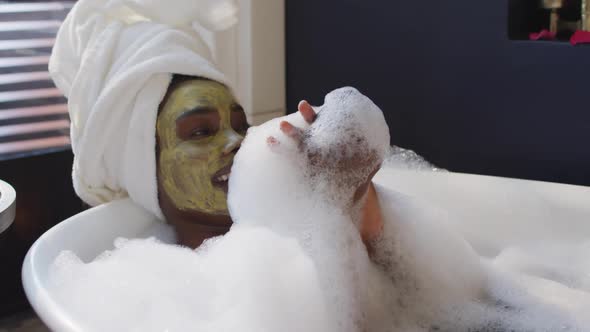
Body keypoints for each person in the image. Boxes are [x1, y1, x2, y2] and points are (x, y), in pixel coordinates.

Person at [50, 0, 384, 249]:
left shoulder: (292, 236)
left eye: (240, 125)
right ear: (141, 167)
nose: (237, 140)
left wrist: (348, 190)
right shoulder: (143, 290)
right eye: (200, 132)